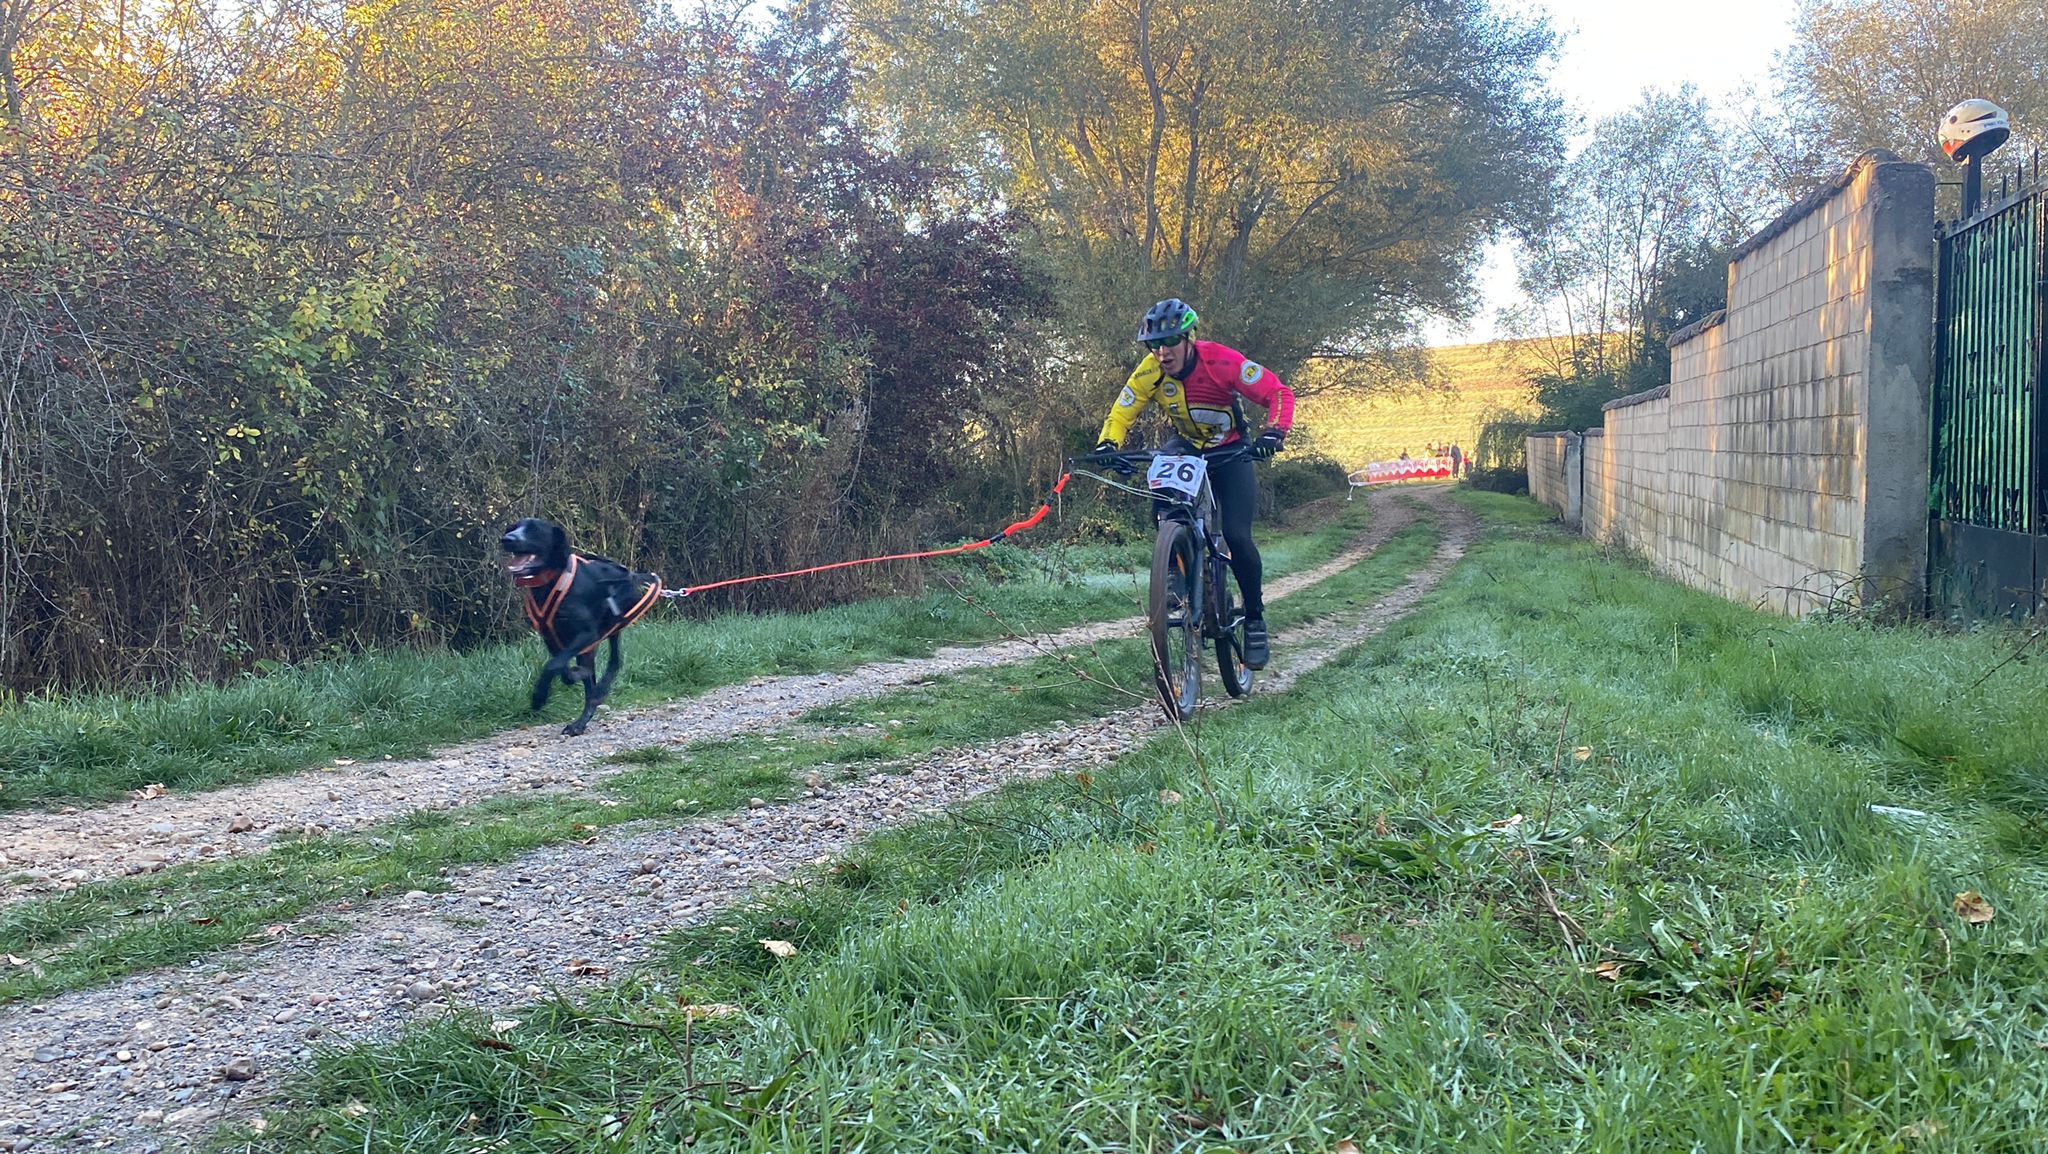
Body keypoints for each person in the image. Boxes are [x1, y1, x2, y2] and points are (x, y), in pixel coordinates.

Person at [1092, 298, 1295, 669]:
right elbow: (1123, 409)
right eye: (1154, 345)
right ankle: (1174, 565)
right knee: (1164, 476)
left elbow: (1278, 393)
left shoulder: (1221, 361)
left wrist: (1274, 433)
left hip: (1231, 452)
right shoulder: (1150, 371)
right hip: (1188, 446)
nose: (1161, 352)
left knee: (1236, 535)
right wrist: (1108, 444)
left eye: (1170, 342)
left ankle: (1254, 618)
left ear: (1189, 338)